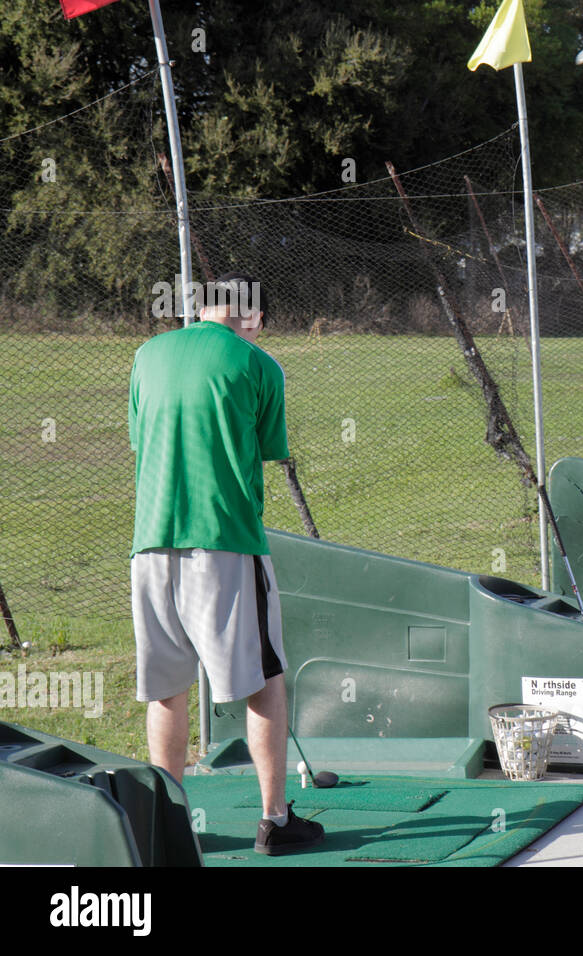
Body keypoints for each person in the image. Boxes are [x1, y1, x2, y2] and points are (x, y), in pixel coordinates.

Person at [129, 272, 324, 855]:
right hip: (226, 543)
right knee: (263, 680)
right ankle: (275, 819)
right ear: (255, 318)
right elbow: (270, 449)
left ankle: (167, 825)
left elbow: (143, 441)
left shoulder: (146, 355)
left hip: (149, 544)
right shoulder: (259, 364)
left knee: (167, 689)